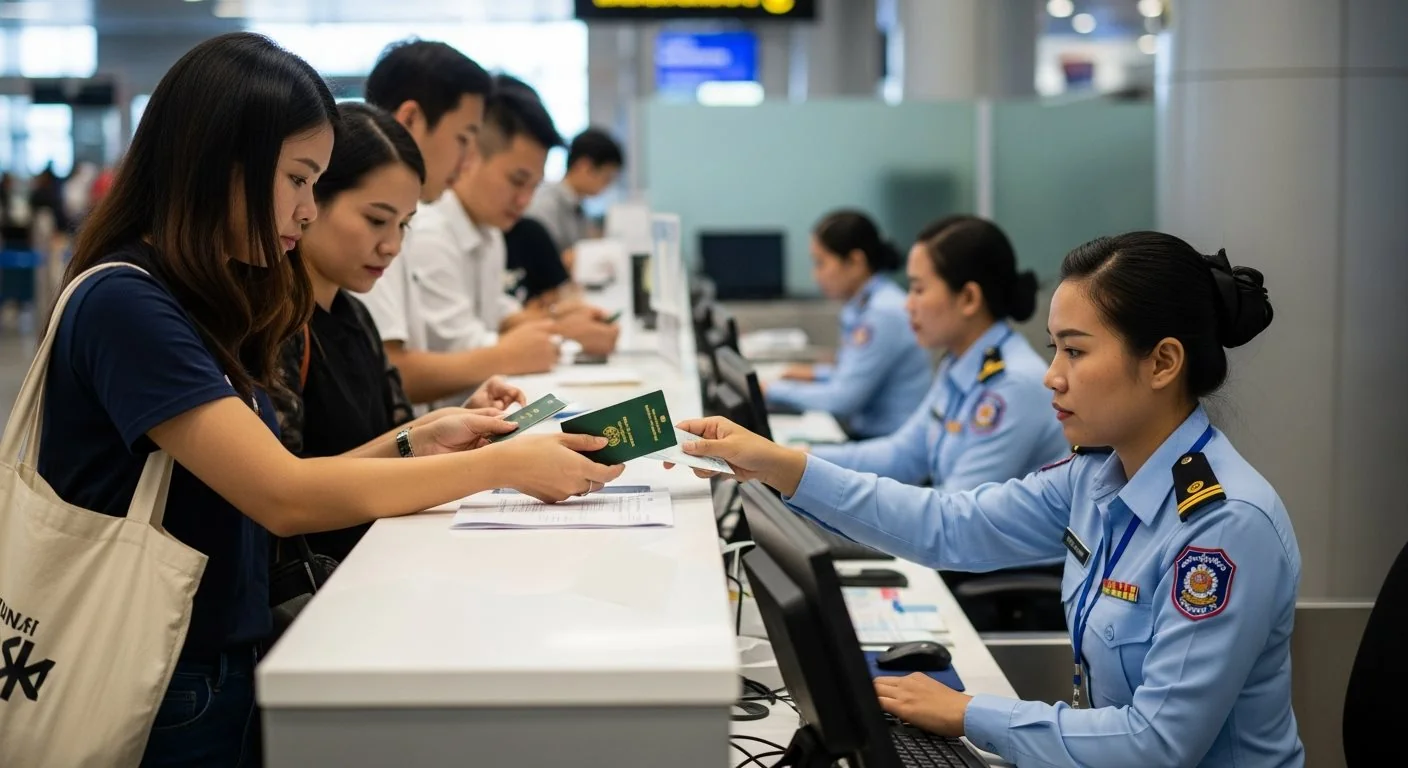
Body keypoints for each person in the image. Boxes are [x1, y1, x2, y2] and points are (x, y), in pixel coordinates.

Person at [36, 33, 623, 766]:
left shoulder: (203, 296)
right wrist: (504, 468)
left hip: (216, 648)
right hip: (162, 667)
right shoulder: (129, 303)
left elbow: (269, 471)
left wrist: (420, 439)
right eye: (298, 179)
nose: (308, 210)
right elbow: (283, 494)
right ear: (223, 161)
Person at [675, 232, 1302, 767]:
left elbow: (1158, 743)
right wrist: (781, 466)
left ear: (1163, 362)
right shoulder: (1099, 476)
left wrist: (968, 713)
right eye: (1055, 347)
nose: (1052, 374)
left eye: (1076, 351)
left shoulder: (1223, 525)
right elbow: (950, 525)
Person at [271, 101, 525, 563]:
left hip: (384, 558)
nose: (392, 246)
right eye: (375, 220)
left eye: (404, 225)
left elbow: (395, 440)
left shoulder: (355, 315)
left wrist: (454, 423)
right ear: (311, 202)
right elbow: (285, 491)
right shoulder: (275, 327)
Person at [389, 78, 619, 407]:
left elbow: (498, 312)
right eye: (517, 181)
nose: (525, 200)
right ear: (470, 156)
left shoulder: (488, 230)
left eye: (534, 186)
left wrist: (559, 319)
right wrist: (561, 333)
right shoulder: (429, 230)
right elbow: (463, 346)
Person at [357, 41, 560, 408]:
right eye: (463, 139)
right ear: (411, 121)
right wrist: (508, 354)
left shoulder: (412, 219)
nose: (468, 161)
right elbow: (388, 374)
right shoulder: (384, 227)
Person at [809, 215, 1067, 492]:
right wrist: (799, 457)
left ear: (968, 298)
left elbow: (954, 515)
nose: (908, 305)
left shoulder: (1012, 384)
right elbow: (903, 456)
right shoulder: (960, 362)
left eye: (919, 289)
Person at [766, 210, 932, 439]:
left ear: (855, 261)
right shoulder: (862, 304)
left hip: (886, 444)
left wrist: (771, 390)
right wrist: (815, 374)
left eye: (821, 263)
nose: (816, 276)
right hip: (869, 435)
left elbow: (843, 399)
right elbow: (853, 372)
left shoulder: (882, 314)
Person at [525, 126, 624, 261]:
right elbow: (539, 260)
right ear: (584, 167)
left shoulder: (578, 207)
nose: (607, 187)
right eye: (606, 178)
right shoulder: (545, 204)